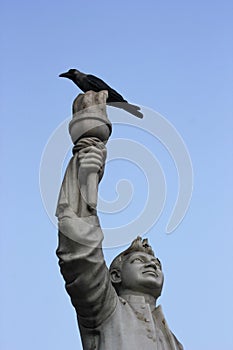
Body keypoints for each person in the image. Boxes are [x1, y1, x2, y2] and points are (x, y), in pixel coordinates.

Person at [56, 91, 184, 350]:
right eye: (139, 260)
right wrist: (84, 168)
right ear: (115, 275)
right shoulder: (105, 310)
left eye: (155, 262)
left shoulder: (173, 342)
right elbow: (80, 256)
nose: (152, 265)